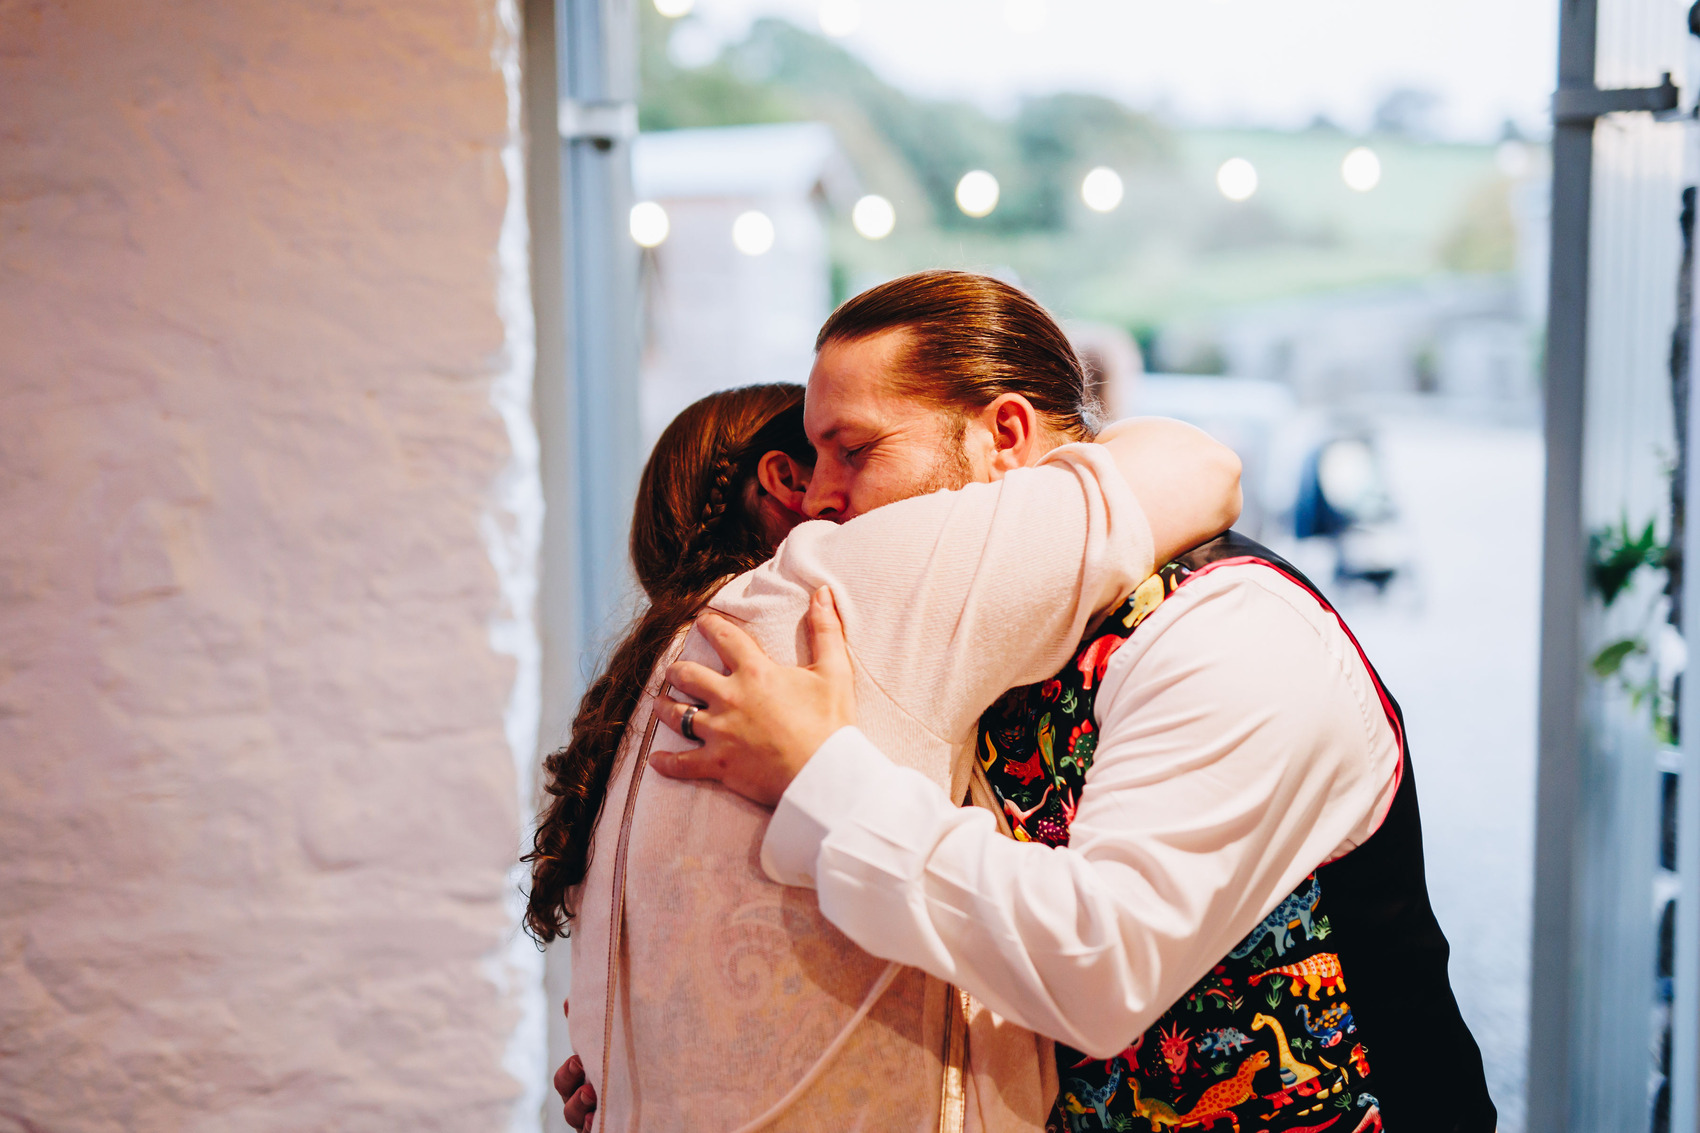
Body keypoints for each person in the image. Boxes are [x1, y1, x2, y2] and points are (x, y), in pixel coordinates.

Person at [640, 272, 1499, 1133]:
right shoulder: (989, 634)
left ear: (1005, 434)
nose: (819, 498)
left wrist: (821, 777)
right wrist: (663, 1054)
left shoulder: (1229, 628)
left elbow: (1101, 965)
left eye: (855, 451)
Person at [528, 353, 1244, 1130]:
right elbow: (1198, 467)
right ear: (789, 482)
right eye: (836, 452)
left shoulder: (640, 689)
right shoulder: (831, 589)